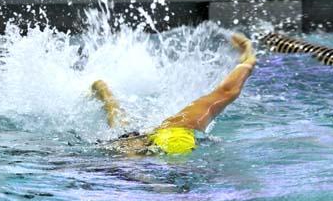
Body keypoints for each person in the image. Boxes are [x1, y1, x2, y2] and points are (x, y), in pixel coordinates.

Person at [91, 32, 256, 156]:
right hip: (163, 143)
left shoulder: (176, 134)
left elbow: (227, 91)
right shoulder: (174, 142)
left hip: (165, 138)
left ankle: (104, 91)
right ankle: (105, 93)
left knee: (121, 124)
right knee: (123, 131)